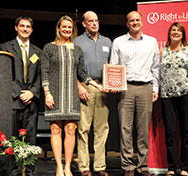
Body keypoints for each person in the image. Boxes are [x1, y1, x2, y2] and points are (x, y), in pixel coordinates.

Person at [41, 15, 103, 176]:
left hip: (71, 95)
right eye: (64, 27)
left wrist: (96, 84)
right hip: (54, 93)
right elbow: (44, 72)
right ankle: (58, 167)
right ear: (59, 28)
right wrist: (47, 93)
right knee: (55, 130)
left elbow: (81, 73)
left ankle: (68, 166)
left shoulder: (77, 49)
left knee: (70, 129)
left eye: (70, 27)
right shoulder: (49, 47)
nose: (67, 30)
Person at [110, 11, 160, 176]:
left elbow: (156, 68)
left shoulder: (151, 42)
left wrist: (155, 88)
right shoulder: (119, 42)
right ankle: (128, 166)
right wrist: (113, 83)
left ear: (142, 22)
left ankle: (143, 165)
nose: (135, 22)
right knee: (125, 128)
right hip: (126, 88)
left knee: (143, 128)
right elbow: (114, 66)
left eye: (137, 20)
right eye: (132, 20)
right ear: (127, 23)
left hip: (145, 88)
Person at [0, 16, 42, 176]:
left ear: (31, 29)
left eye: (28, 27)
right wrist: (19, 93)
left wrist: (32, 92)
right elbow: (4, 75)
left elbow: (40, 77)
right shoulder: (5, 47)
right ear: (16, 28)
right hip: (13, 100)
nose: (25, 29)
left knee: (30, 138)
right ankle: (12, 171)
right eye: (22, 26)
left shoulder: (38, 52)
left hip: (32, 101)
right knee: (11, 137)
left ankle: (29, 170)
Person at [73, 11, 111, 176]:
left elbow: (113, 65)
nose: (94, 23)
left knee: (102, 128)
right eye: (91, 21)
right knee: (83, 128)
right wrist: (79, 86)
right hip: (86, 87)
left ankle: (100, 166)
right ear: (84, 24)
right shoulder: (77, 42)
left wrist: (111, 83)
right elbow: (72, 68)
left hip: (103, 87)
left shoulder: (107, 41)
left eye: (96, 20)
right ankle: (84, 167)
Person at [159, 22, 188, 176]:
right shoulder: (163, 51)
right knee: (169, 132)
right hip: (167, 96)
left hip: (185, 95)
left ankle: (185, 168)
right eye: (173, 30)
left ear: (183, 34)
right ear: (169, 34)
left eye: (178, 31)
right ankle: (171, 167)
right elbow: (158, 72)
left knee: (185, 132)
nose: (175, 32)